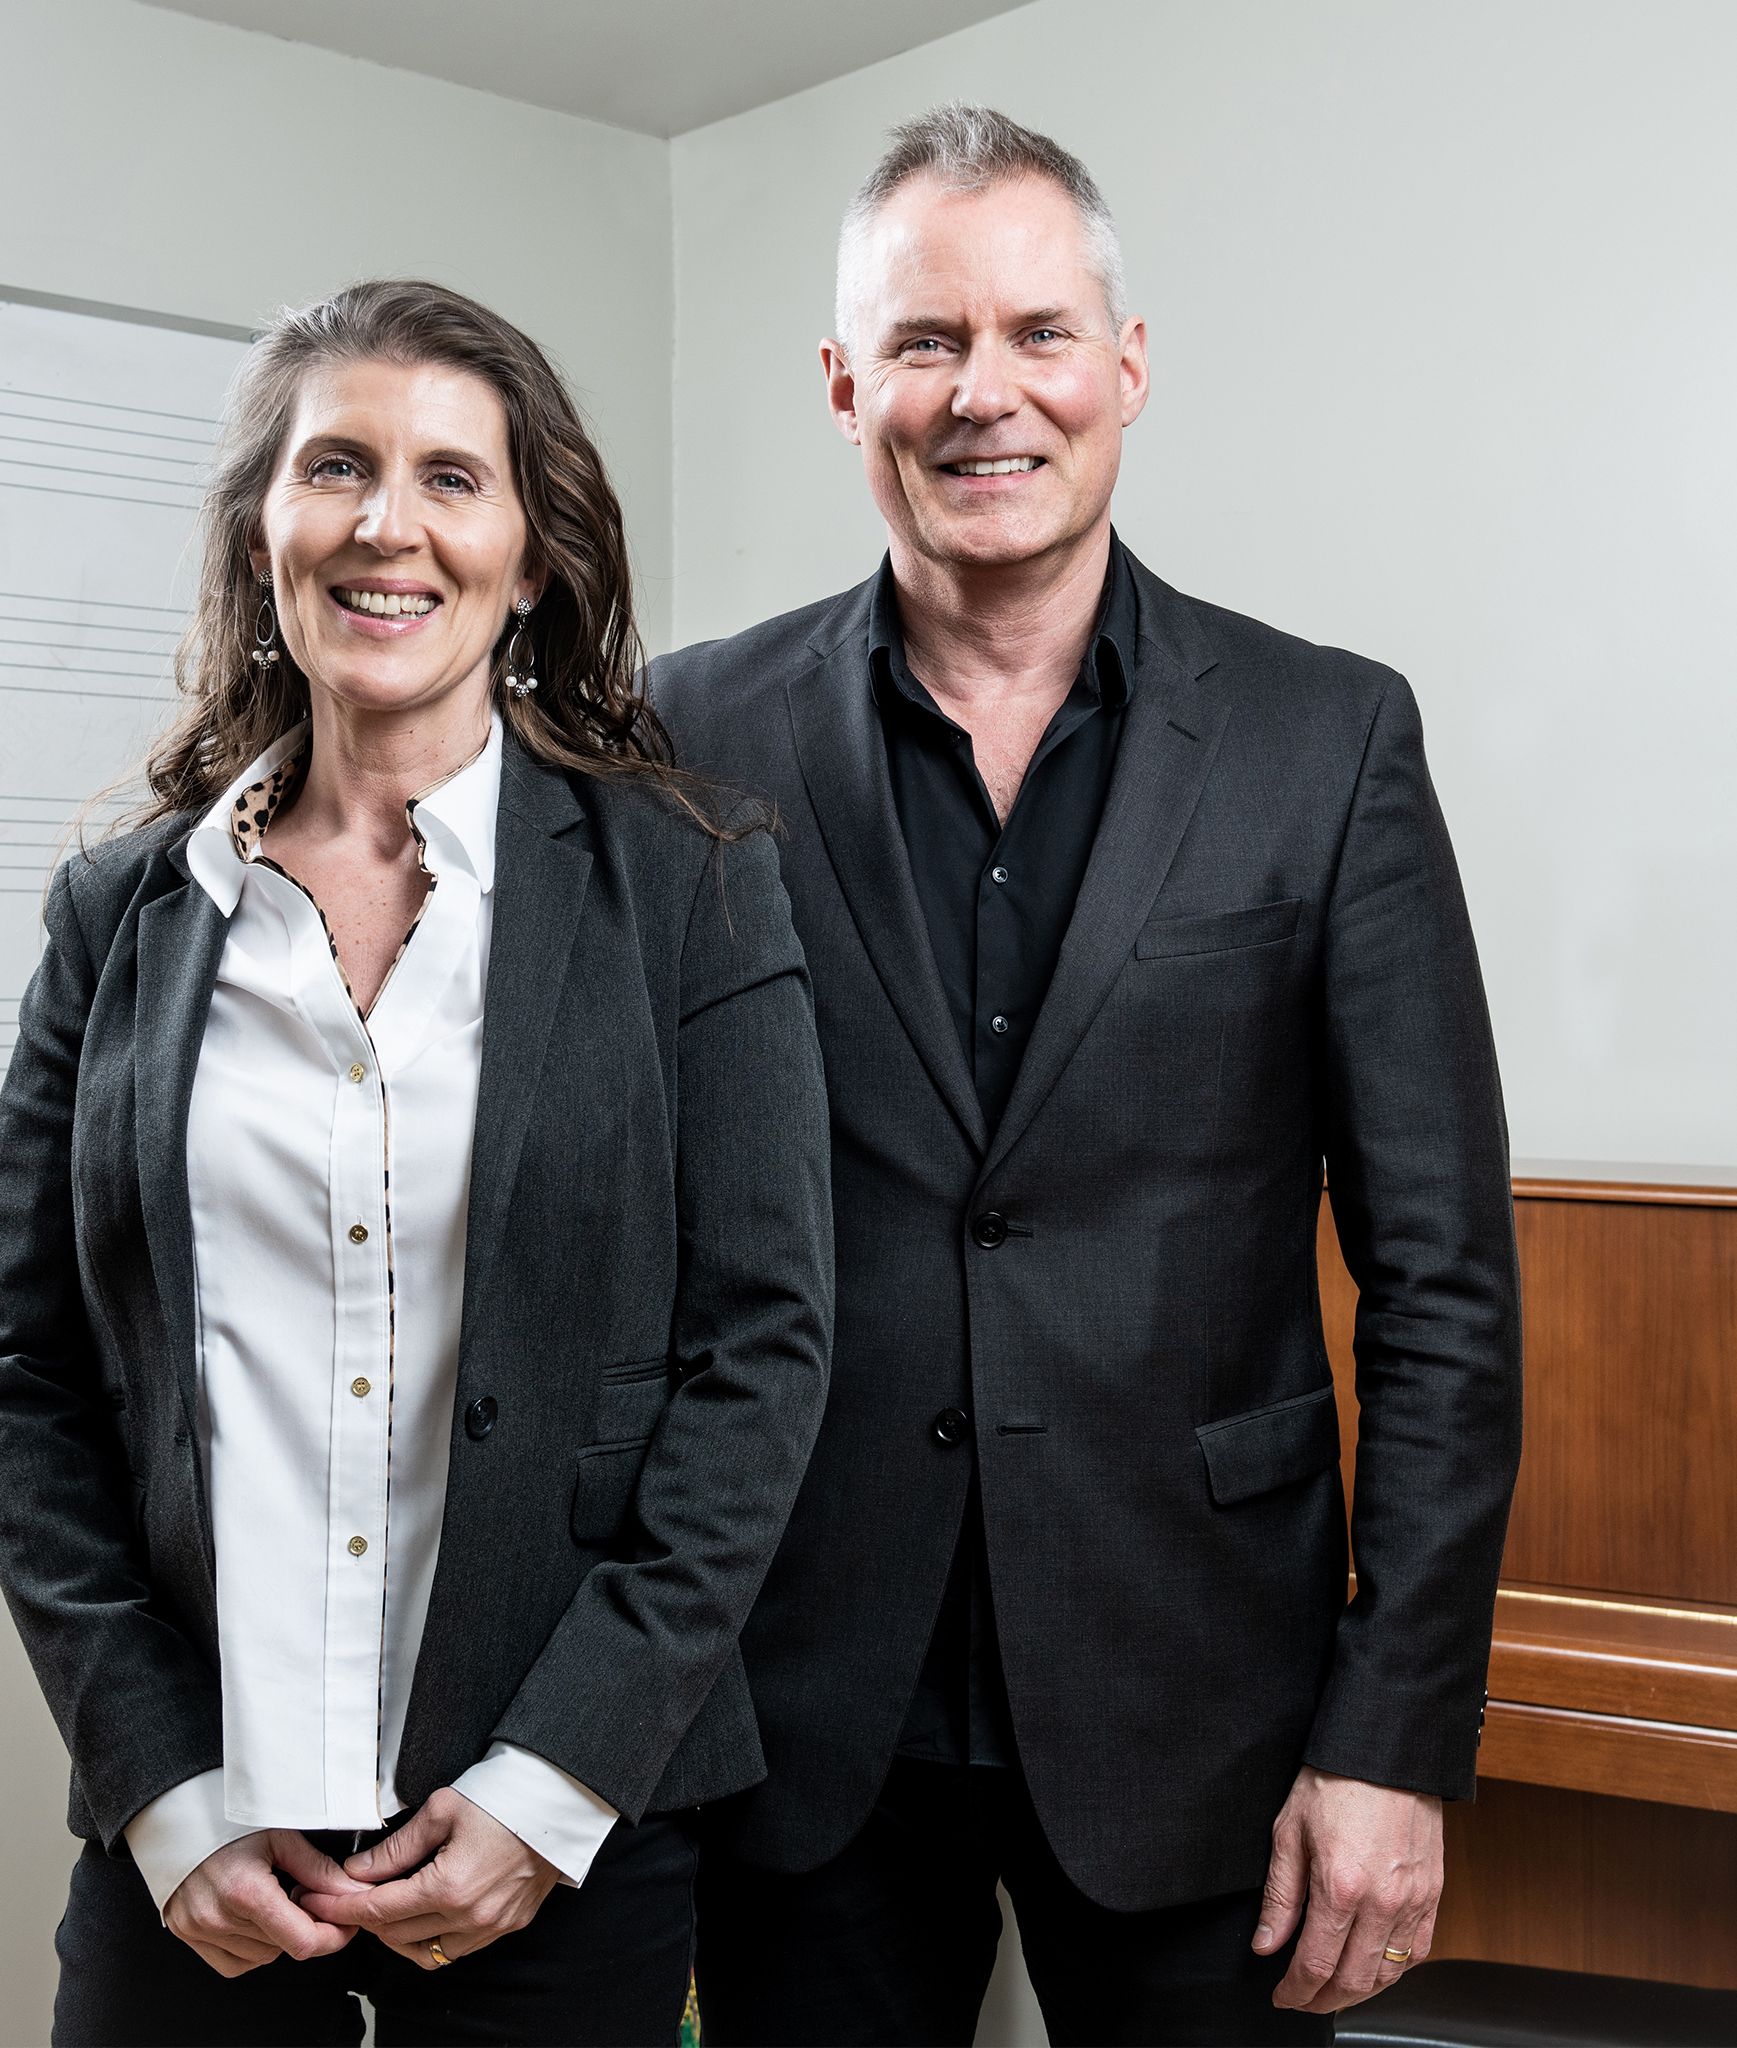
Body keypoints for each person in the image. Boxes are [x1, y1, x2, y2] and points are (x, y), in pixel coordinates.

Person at [649, 105, 1522, 2047]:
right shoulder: (685, 735)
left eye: (1038, 332)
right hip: (796, 1718)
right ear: (844, 385)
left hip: (1212, 1711)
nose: (988, 392)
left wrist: (1395, 1734)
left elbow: (1444, 1286)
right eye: (926, 340)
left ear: (1125, 366)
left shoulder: (1328, 740)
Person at [0, 278, 834, 2048]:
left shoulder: (693, 883)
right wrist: (160, 1788)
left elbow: (764, 1356)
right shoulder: (120, 913)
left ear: (532, 554)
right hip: (197, 1854)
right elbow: (17, 1369)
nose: (386, 525)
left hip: (550, 1842)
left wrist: (556, 1783)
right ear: (263, 533)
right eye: (336, 467)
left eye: (451, 478)